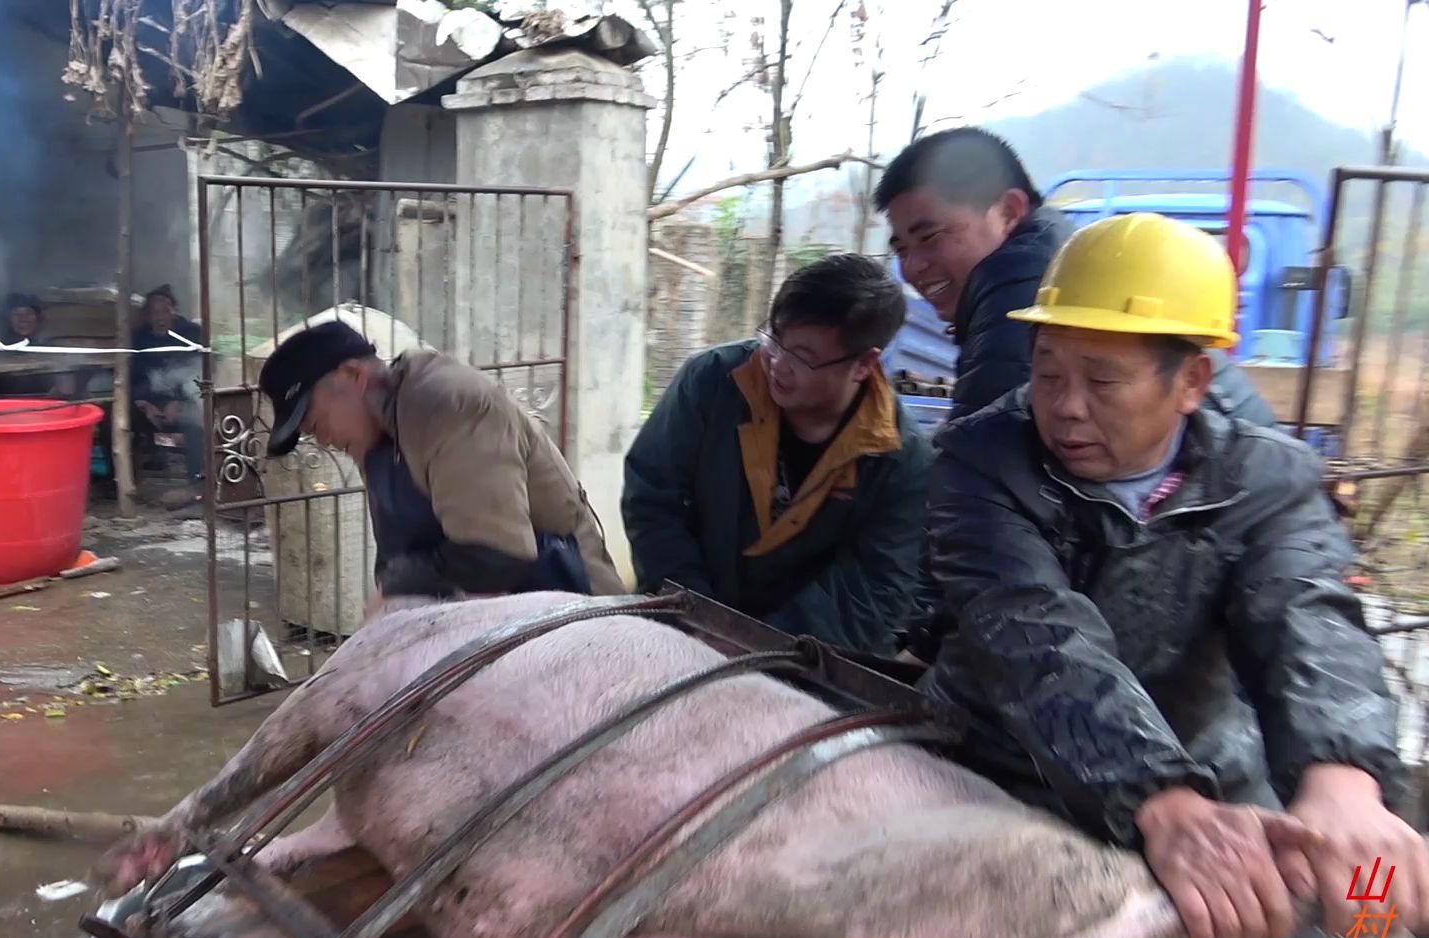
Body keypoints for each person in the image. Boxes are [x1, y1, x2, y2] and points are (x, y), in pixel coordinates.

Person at [916, 211, 1423, 938]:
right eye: (1047, 373)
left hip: (1217, 777)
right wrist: (1165, 803)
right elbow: (1036, 639)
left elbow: (1307, 612)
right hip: (1008, 777)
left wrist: (1342, 779)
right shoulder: (980, 463)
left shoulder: (1269, 480)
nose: (1064, 406)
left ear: (1192, 381)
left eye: (1101, 380)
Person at [621, 254, 931, 655]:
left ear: (863, 364)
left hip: (808, 661)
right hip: (685, 629)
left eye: (802, 356)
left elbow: (876, 586)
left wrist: (762, 647)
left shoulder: (899, 457)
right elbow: (651, 497)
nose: (776, 364)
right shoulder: (713, 382)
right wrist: (699, 619)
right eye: (775, 337)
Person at [874, 126, 1276, 427]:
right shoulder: (1043, 258)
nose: (914, 266)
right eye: (903, 249)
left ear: (1009, 212)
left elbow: (974, 464)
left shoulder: (1024, 292)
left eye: (929, 237)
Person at [257, 321, 624, 603]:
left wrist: (396, 586)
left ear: (354, 376)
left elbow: (495, 558)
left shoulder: (449, 404)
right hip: (491, 616)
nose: (323, 439)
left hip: (572, 602)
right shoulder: (376, 431)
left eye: (316, 421)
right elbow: (399, 556)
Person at [130, 284, 207, 484]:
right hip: (151, 401)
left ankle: (197, 483)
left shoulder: (191, 334)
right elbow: (135, 374)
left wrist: (178, 402)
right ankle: (125, 481)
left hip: (187, 398)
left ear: (175, 312)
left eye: (166, 310)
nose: (160, 317)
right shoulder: (140, 337)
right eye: (154, 312)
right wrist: (144, 404)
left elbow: (200, 372)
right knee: (116, 421)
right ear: (147, 316)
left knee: (195, 425)